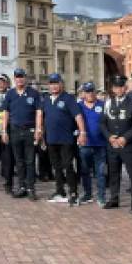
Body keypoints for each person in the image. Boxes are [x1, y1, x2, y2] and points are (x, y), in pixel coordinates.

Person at [38, 73, 86, 206]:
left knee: (68, 166)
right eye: (51, 84)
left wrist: (82, 132)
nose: (54, 86)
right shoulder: (46, 99)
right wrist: (40, 133)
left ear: (61, 84)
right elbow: (41, 116)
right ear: (49, 85)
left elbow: (78, 116)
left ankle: (73, 193)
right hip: (51, 139)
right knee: (56, 167)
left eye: (56, 83)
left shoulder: (68, 98)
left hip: (66, 139)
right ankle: (60, 191)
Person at [101, 75, 132, 212]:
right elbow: (102, 123)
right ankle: (114, 198)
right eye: (115, 87)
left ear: (125, 88)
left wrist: (125, 138)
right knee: (113, 173)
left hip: (129, 145)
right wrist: (109, 137)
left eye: (121, 87)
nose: (118, 89)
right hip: (113, 145)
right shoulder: (108, 103)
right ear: (113, 89)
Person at [2, 68, 40, 200]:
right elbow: (5, 113)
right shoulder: (10, 94)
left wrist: (38, 129)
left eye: (22, 76)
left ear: (25, 78)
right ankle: (21, 187)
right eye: (17, 77)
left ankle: (31, 188)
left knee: (30, 161)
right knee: (19, 161)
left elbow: (38, 112)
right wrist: (4, 130)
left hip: (29, 130)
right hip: (15, 130)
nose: (19, 79)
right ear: (14, 79)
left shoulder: (34, 93)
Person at [76, 82, 107, 206]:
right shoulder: (78, 106)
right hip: (85, 144)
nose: (90, 94)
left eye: (91, 91)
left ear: (95, 92)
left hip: (101, 144)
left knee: (100, 172)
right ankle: (87, 194)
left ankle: (101, 196)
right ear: (83, 93)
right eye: (87, 91)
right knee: (85, 171)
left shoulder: (103, 105)